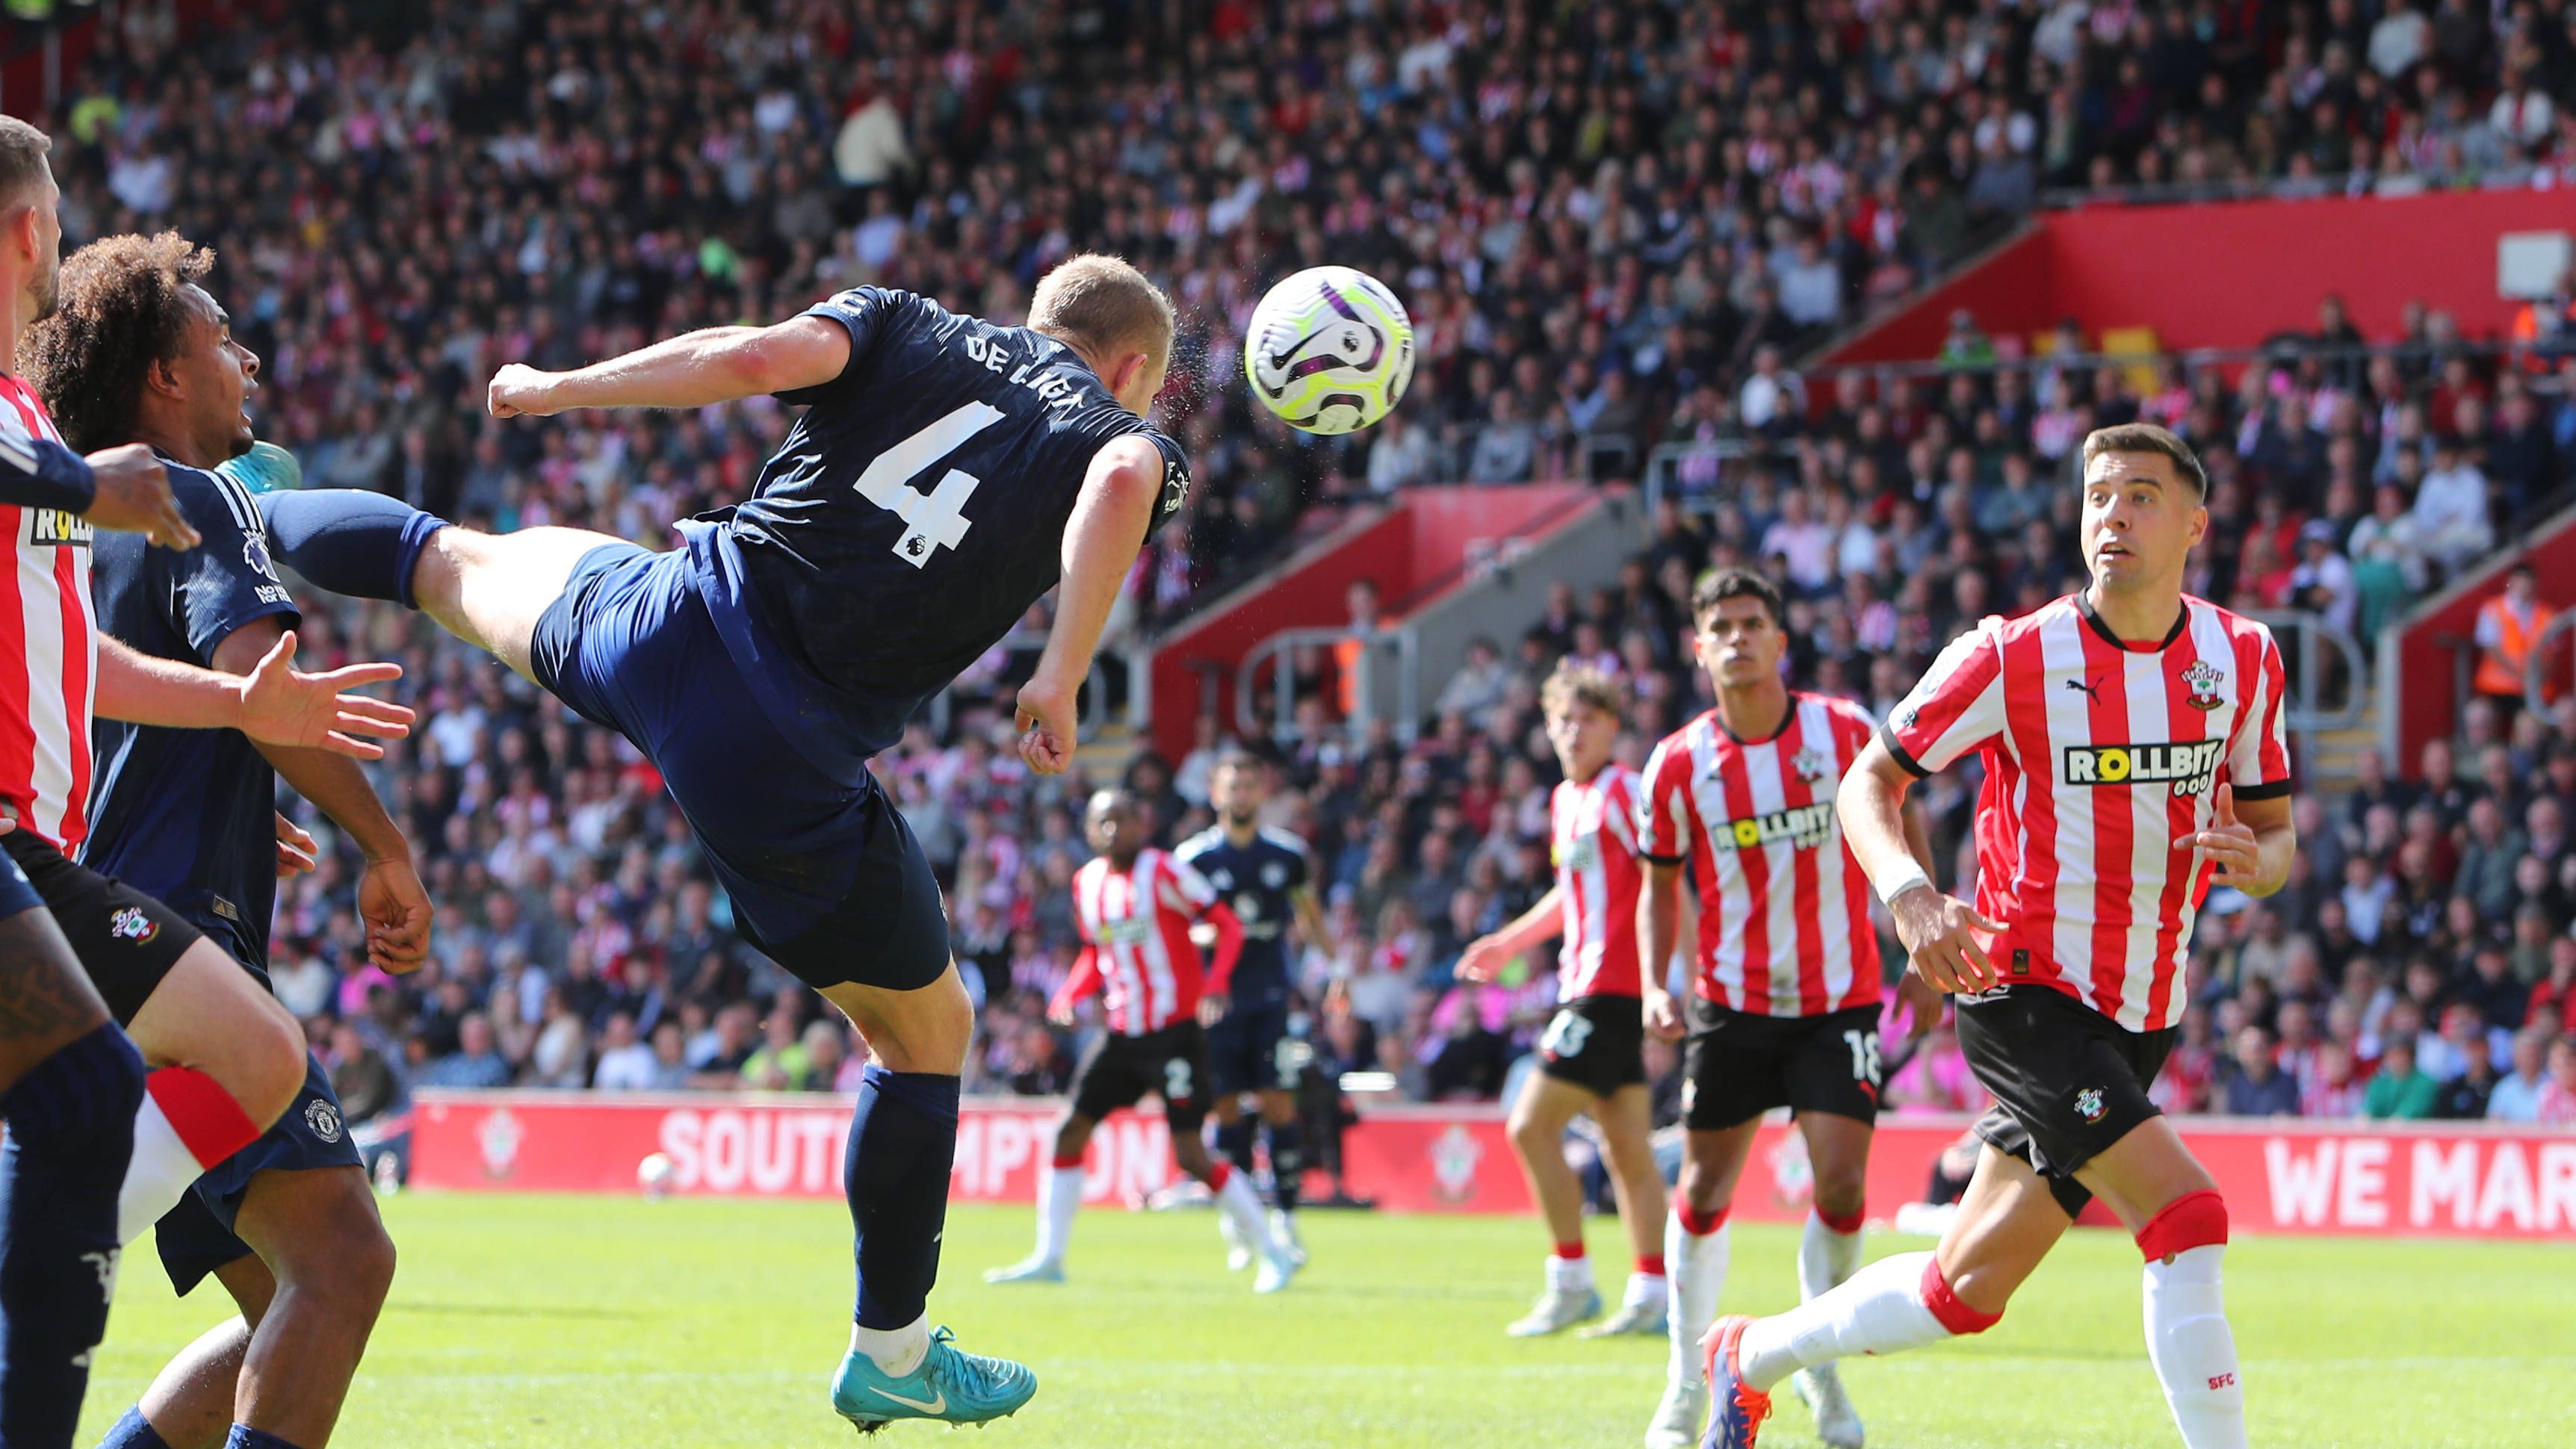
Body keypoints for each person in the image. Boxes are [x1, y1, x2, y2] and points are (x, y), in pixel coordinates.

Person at [254, 254, 1198, 1427]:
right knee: (925, 1034)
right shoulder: (1120, 430)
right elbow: (1117, 477)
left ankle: (217, 507)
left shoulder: (912, 322)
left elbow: (749, 356)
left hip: (670, 612)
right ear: (1130, 370)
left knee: (447, 558)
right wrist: (1061, 675)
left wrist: (554, 389)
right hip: (777, 752)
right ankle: (893, 1353)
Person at [1701, 423, 2297, 1449]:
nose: (2114, 514)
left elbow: (2277, 834)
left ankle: (1748, 1356)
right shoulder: (2013, 654)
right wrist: (1909, 894)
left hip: (2143, 1008)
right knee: (2187, 1215)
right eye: (2100, 495)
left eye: (2143, 495)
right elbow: (1868, 782)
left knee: (1962, 1289)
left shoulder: (2241, 658)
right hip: (2021, 988)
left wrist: (2258, 862)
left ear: (2195, 524)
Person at [0, 121, 412, 1449]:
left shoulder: (60, 496)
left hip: (80, 891)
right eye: (225, 341)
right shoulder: (180, 493)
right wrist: (381, 847)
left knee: (291, 1289)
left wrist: (239, 754)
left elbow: (90, 681)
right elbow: (257, 670)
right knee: (337, 1263)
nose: (250, 363)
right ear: (166, 376)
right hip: (138, 921)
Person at [1633, 568, 1936, 1449]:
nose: (1736, 638)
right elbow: (1659, 885)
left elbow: (1900, 813)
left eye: (1751, 623)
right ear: (1699, 649)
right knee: (1700, 1190)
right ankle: (1684, 1386)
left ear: (1779, 640)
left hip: (1837, 1003)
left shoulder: (1841, 729)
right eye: (1719, 626)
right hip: (1730, 1005)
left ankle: (1817, 1365)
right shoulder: (1680, 761)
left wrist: (1916, 920)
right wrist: (1658, 981)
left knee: (1843, 1187)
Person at [985, 789, 1294, 1291]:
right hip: (1122, 1033)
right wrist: (1069, 992)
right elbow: (1096, 953)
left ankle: (1273, 1252)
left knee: (1192, 1155)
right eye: (1103, 822)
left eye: (1123, 819)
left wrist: (1215, 984)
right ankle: (1049, 1258)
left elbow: (1227, 925)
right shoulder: (1087, 883)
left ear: (1141, 824)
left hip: (1175, 1034)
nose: (1113, 831)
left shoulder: (1166, 872)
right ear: (1089, 831)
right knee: (1069, 1132)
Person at [1454, 665, 1667, 1342]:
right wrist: (1507, 940)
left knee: (1530, 1128)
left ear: (1612, 724)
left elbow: (1670, 879)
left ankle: (1572, 1280)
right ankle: (1654, 1292)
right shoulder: (1565, 801)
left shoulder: (1624, 792)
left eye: (1587, 719)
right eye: (1562, 721)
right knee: (1628, 1151)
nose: (1573, 732)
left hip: (1612, 990)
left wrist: (1670, 977)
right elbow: (1572, 895)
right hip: (1588, 986)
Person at [1175, 753, 1327, 1270]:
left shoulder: (1288, 855)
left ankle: (1285, 1217)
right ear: (1216, 794)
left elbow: (1310, 918)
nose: (1240, 795)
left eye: (1249, 786)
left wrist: (1336, 969)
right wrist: (1209, 936)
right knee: (1227, 1110)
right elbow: (1178, 929)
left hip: (1269, 997)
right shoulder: (1194, 859)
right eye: (1232, 787)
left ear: (1261, 793)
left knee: (1279, 1102)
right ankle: (1240, 1221)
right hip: (1216, 1003)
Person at [2471, 562, 2557, 710]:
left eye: (2528, 580)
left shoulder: (2547, 615)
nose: (2524, 585)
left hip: (2535, 686)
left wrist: (2537, 676)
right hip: (2496, 688)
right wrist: (2519, 673)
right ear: (2510, 582)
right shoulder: (2493, 609)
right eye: (2520, 580)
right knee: (2479, 712)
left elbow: (2552, 654)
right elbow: (2490, 648)